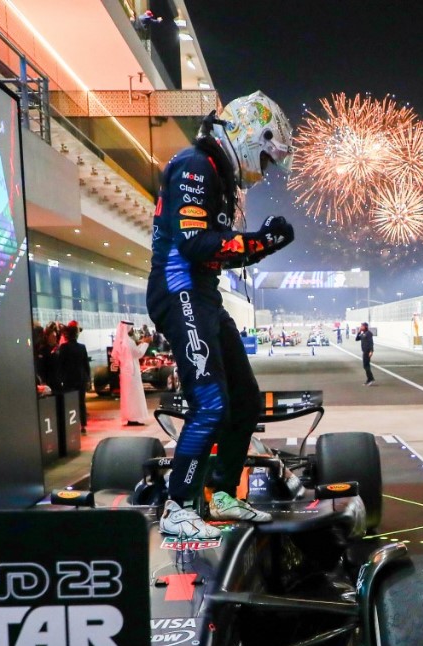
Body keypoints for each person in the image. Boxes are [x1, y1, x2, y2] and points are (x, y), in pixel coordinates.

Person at [145, 91, 296, 539]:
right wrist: (259, 242)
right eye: (266, 160)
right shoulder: (196, 166)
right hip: (180, 291)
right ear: (252, 136)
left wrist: (258, 244)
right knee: (209, 403)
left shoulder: (216, 173)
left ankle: (222, 494)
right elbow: (195, 244)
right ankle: (178, 507)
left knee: (245, 400)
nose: (264, 171)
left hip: (202, 293)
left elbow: (216, 250)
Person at [110, 320, 151, 427]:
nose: (132, 330)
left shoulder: (121, 341)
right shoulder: (129, 341)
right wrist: (146, 343)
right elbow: (139, 353)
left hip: (125, 372)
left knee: (128, 396)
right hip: (132, 372)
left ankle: (130, 418)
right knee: (134, 395)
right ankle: (134, 418)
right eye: (131, 328)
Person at [54, 322, 92, 435]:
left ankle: (71, 423)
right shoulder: (82, 347)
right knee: (81, 402)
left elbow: (60, 364)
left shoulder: (63, 348)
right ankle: (83, 425)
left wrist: (60, 378)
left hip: (68, 379)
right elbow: (86, 364)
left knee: (69, 403)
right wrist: (88, 379)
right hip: (81, 378)